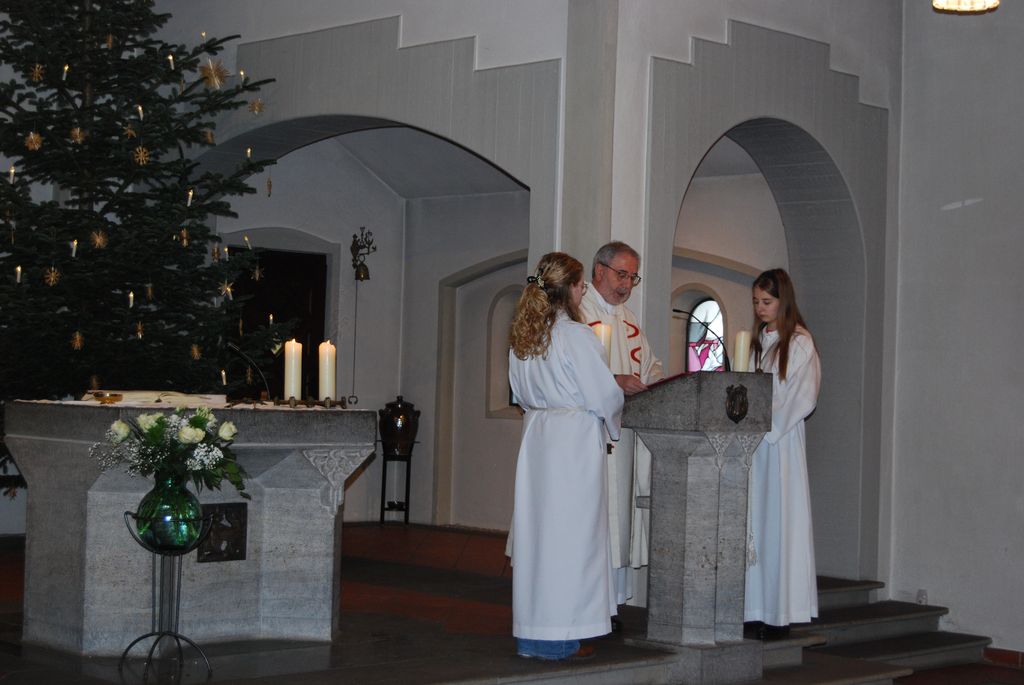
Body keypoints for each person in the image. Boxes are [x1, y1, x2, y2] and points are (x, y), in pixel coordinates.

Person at [508, 252, 624, 661]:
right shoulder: (576, 335)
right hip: (572, 443)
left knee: (539, 539)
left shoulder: (524, 337)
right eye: (581, 285)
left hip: (538, 438)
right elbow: (604, 394)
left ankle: (533, 635)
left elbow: (519, 394)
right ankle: (562, 637)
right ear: (571, 289)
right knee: (573, 539)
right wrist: (614, 422)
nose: (582, 291)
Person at [578, 241, 663, 607]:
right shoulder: (577, 311)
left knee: (620, 518)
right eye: (622, 274)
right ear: (599, 270)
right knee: (595, 518)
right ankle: (590, 601)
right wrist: (615, 381)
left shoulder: (628, 318)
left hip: (624, 437)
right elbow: (574, 373)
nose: (627, 284)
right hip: (588, 435)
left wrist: (654, 382)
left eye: (632, 277)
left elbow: (651, 364)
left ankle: (611, 604)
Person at [744, 268, 822, 639]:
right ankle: (753, 609)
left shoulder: (800, 343)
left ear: (783, 301)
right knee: (755, 528)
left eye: (767, 301)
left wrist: (768, 427)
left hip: (780, 444)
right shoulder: (758, 342)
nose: (760, 308)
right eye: (756, 301)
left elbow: (803, 397)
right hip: (753, 447)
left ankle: (778, 614)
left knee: (778, 525)